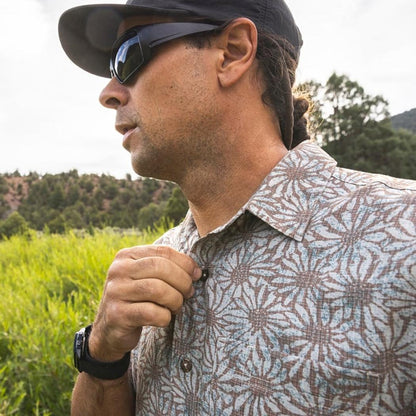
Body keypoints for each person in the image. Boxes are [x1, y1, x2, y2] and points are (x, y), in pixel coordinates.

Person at [59, 0, 416, 415]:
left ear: (232, 52)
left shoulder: (404, 235)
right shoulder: (151, 269)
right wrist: (102, 354)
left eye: (129, 56)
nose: (109, 93)